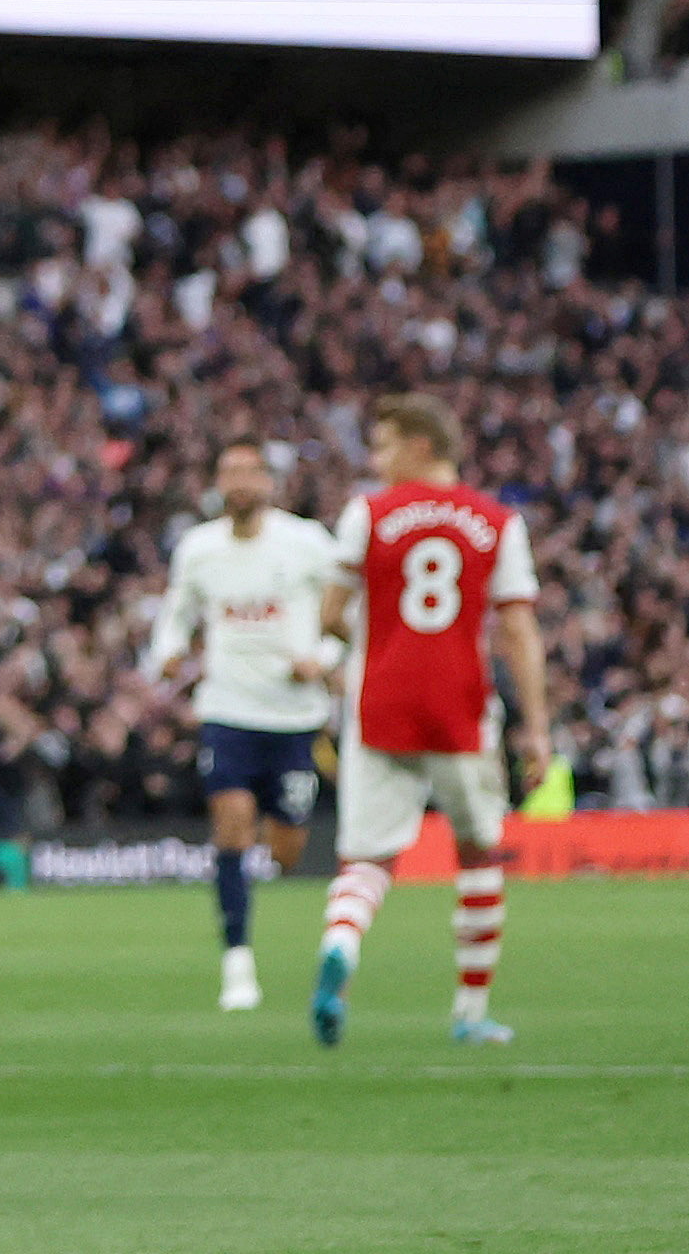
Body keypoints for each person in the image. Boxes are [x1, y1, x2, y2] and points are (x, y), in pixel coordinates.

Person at [311, 393, 552, 1049]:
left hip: (378, 703)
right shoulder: (496, 522)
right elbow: (518, 629)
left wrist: (378, 645)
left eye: (384, 445)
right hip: (458, 706)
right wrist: (536, 724)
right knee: (476, 852)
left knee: (366, 857)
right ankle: (469, 1015)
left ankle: (341, 943)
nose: (374, 459)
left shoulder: (367, 513)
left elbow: (329, 612)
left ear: (421, 446)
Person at [149, 433, 341, 1010]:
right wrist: (170, 649)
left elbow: (348, 607)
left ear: (267, 482)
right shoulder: (199, 548)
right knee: (230, 825)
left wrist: (324, 660)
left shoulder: (307, 543)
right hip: (228, 709)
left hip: (294, 716)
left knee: (286, 850)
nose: (237, 483)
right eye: (226, 471)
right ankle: (237, 961)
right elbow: (177, 610)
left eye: (247, 472)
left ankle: (268, 859)